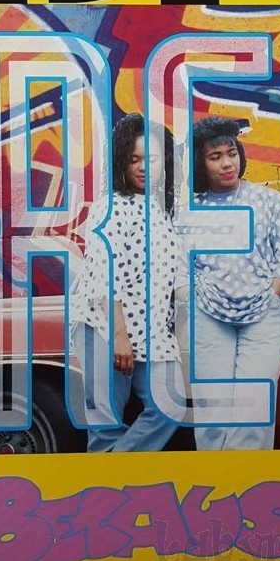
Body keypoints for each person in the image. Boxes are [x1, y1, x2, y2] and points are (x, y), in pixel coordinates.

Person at [70, 113, 187, 452]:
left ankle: (113, 472)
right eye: (133, 159)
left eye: (151, 159)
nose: (142, 167)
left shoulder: (164, 211)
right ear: (121, 161)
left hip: (153, 330)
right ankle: (113, 478)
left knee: (169, 405)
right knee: (105, 425)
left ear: (165, 161)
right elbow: (105, 274)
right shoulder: (110, 207)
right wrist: (120, 335)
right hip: (105, 325)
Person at [189, 116, 280, 450]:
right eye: (215, 156)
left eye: (231, 153)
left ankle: (249, 479)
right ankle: (213, 477)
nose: (226, 163)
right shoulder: (190, 210)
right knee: (213, 408)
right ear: (200, 163)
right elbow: (179, 264)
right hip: (208, 314)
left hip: (263, 314)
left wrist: (272, 296)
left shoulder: (270, 201)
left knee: (255, 405)